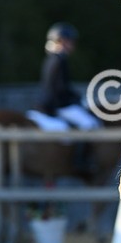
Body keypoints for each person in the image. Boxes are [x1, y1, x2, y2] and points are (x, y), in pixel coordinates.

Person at [38, 22, 101, 175]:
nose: (72, 45)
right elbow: (60, 88)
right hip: (58, 105)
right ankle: (80, 161)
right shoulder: (59, 60)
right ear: (60, 41)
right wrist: (76, 98)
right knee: (90, 124)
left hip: (56, 103)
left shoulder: (53, 58)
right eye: (69, 41)